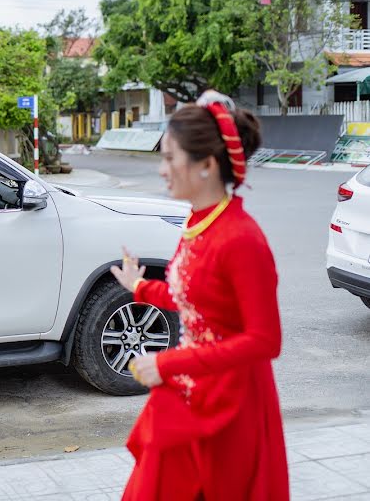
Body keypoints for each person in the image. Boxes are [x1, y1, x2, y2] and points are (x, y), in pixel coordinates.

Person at [110, 91, 288, 500]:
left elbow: (265, 340)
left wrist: (167, 361)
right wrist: (140, 288)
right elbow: (195, 298)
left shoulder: (241, 238)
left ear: (207, 165)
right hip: (191, 392)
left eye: (170, 158)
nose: (162, 170)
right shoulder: (200, 221)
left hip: (231, 405)